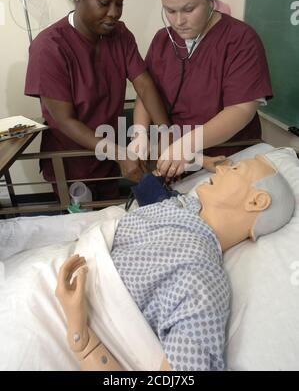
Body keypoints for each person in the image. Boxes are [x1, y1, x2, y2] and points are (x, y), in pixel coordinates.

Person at [55, 153, 295, 371]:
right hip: (61, 261)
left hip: (57, 316)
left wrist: (82, 340)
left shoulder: (201, 280)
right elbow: (152, 183)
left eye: (235, 170)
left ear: (256, 201)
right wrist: (197, 159)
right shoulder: (184, 207)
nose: (221, 169)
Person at [24, 0, 170, 200]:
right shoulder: (49, 48)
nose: (114, 13)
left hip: (108, 159)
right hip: (71, 164)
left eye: (120, 3)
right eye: (104, 2)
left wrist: (167, 136)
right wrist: (118, 152)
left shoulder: (120, 35)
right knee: (81, 228)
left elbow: (144, 84)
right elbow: (65, 121)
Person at [130, 0, 273, 180]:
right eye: (170, 10)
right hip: (176, 162)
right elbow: (146, 92)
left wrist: (187, 144)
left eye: (188, 9)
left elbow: (241, 109)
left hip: (228, 161)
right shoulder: (161, 40)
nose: (178, 21)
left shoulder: (240, 39)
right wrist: (139, 133)